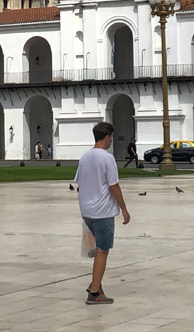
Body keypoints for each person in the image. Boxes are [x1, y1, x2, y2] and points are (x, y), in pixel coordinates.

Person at [75, 122, 130, 305]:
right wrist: (124, 208)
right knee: (103, 250)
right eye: (111, 137)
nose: (111, 141)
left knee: (98, 248)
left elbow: (79, 184)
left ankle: (95, 283)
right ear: (107, 137)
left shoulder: (85, 157)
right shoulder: (107, 158)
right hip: (102, 212)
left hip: (87, 211)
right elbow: (113, 186)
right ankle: (95, 292)